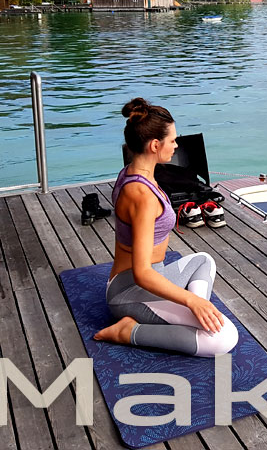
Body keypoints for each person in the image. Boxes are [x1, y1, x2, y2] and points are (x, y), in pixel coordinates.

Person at [93, 98, 238, 357]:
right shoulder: (141, 196)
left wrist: (194, 305)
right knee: (223, 338)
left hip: (154, 276)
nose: (176, 144)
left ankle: (193, 313)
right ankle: (127, 332)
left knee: (204, 260)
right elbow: (142, 274)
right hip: (130, 292)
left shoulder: (134, 171)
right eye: (172, 140)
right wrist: (191, 300)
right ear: (154, 145)